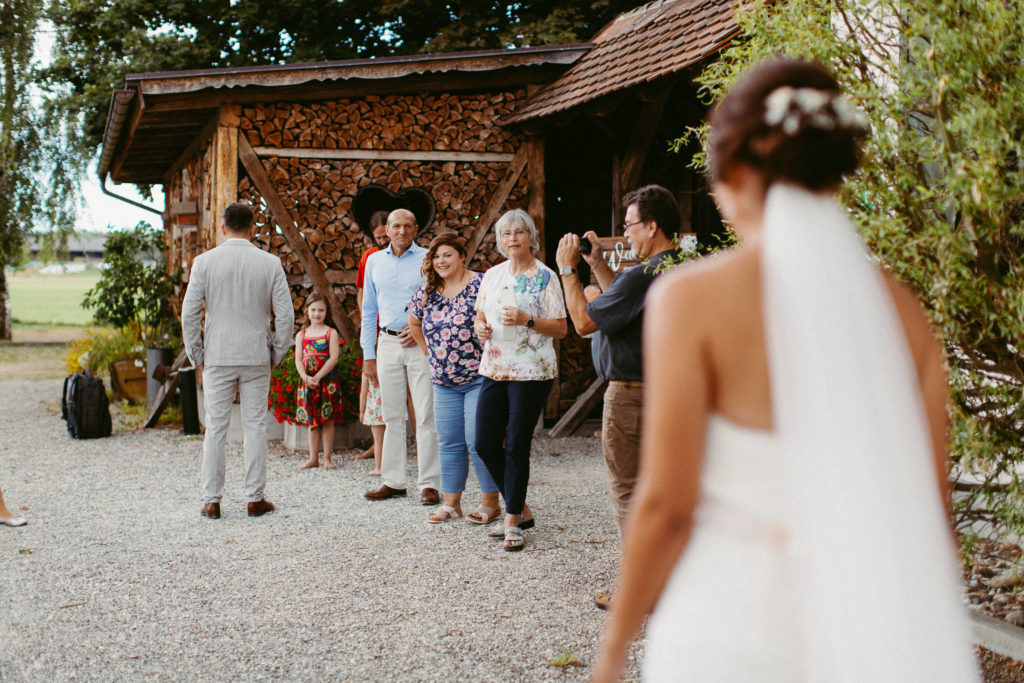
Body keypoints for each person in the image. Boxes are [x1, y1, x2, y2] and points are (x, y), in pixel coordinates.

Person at [591, 59, 978, 681]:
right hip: (859, 630)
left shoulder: (692, 299)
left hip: (731, 623)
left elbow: (666, 503)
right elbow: (931, 510)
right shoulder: (905, 313)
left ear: (734, 170)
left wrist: (613, 652)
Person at [554, 184, 682, 610]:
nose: (626, 234)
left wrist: (569, 271)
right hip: (665, 392)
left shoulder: (643, 273)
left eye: (629, 226)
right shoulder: (675, 265)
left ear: (652, 224)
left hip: (630, 395)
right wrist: (598, 265)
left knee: (629, 491)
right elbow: (622, 303)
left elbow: (585, 322)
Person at [182, 202, 294, 520]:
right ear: (252, 227)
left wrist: (197, 354)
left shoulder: (204, 262)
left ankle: (211, 500)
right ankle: (255, 498)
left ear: (222, 227)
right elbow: (285, 315)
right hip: (257, 354)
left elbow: (189, 313)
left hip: (217, 354)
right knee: (255, 426)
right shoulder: (270, 263)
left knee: (216, 428)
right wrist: (277, 352)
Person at [474, 209, 567, 551]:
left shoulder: (545, 277)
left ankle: (512, 519)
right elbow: (481, 316)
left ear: (531, 237)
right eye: (506, 233)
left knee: (515, 443)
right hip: (495, 367)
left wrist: (528, 320)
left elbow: (560, 327)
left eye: (519, 232)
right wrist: (480, 328)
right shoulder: (492, 275)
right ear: (500, 240)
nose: (512, 238)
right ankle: (522, 507)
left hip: (532, 370)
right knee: (483, 442)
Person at [408, 233, 502, 525]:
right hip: (443, 381)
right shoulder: (427, 291)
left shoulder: (481, 284)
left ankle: (491, 503)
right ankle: (452, 504)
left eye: (447, 254)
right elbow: (414, 322)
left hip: (479, 377)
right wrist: (431, 355)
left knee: (478, 440)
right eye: (436, 257)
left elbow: (495, 320)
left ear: (462, 256)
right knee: (448, 441)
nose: (441, 261)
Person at [360, 208, 440, 504]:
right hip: (387, 343)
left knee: (425, 412)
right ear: (387, 229)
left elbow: (439, 301)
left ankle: (429, 483)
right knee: (392, 412)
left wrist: (421, 329)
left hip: (419, 342)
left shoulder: (428, 259)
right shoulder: (374, 261)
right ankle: (393, 480)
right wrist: (369, 352)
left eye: (407, 226)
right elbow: (369, 310)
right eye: (396, 226)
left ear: (416, 228)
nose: (402, 232)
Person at [355, 211, 391, 469]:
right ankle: (376, 442)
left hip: (399, 329)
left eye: (384, 237)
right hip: (377, 329)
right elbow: (361, 293)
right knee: (372, 383)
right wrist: (367, 322)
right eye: (377, 238)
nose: (382, 242)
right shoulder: (368, 256)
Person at [294, 292, 343, 470]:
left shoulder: (331, 333)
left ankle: (327, 458)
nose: (317, 313)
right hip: (308, 381)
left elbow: (334, 358)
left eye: (321, 310)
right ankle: (313, 457)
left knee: (327, 418)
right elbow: (298, 359)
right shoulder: (302, 335)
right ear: (306, 311)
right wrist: (305, 377)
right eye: (313, 310)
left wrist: (318, 376)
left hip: (326, 380)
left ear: (326, 312)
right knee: (312, 420)